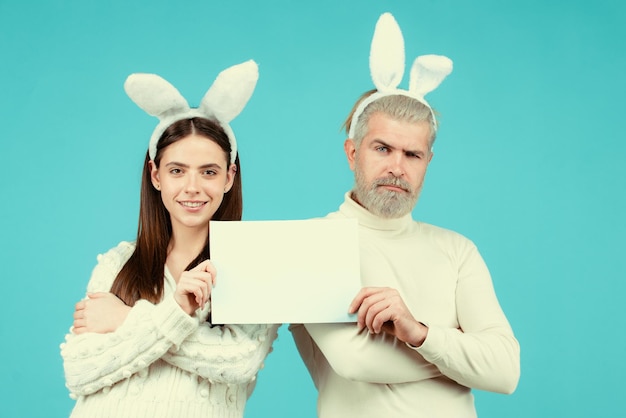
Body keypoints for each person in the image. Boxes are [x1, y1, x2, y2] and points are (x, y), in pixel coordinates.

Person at [290, 13, 520, 418]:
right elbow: (356, 362)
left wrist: (418, 332)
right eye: (382, 148)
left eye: (412, 154)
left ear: (427, 162)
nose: (397, 167)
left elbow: (505, 370)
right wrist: (461, 359)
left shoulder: (456, 249)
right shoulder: (311, 243)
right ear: (352, 153)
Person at [61, 60, 279, 418]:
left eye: (208, 172)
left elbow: (238, 362)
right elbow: (79, 371)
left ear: (229, 177)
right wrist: (175, 316)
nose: (192, 188)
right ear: (156, 174)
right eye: (177, 171)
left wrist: (126, 319)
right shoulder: (118, 263)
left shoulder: (252, 266)